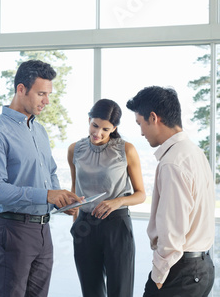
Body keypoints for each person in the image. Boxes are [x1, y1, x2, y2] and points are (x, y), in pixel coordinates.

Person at [0, 59, 82, 297]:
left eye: (49, 94)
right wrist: (46, 195)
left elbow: (50, 172)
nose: (46, 101)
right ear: (21, 89)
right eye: (41, 93)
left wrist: (60, 200)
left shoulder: (39, 130)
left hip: (44, 231)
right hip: (14, 231)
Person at [126, 86, 215, 297]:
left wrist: (157, 277)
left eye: (140, 124)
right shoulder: (193, 152)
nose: (141, 132)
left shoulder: (172, 162)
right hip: (202, 268)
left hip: (180, 272)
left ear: (154, 118)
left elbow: (172, 229)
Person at [67, 98, 146, 297]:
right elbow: (75, 188)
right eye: (95, 125)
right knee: (90, 292)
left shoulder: (126, 150)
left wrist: (117, 201)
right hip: (85, 227)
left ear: (114, 128)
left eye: (105, 129)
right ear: (89, 119)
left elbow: (141, 194)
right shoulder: (75, 149)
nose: (98, 133)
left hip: (116, 225)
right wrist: (74, 217)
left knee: (120, 291)